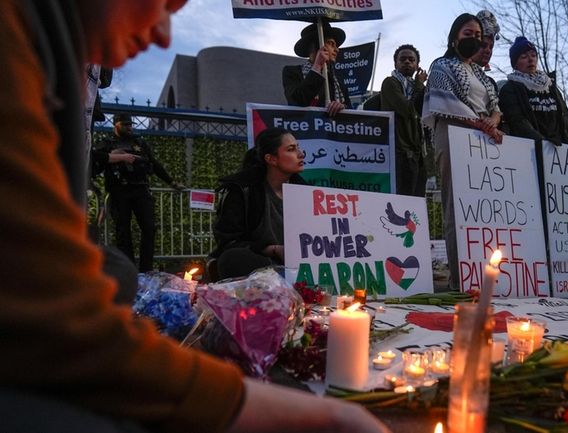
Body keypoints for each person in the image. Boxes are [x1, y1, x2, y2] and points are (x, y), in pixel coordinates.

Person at [0, 1, 389, 432]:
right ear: (269, 158)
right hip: (241, 265)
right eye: (164, 4)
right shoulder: (19, 43)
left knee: (116, 271)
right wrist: (314, 416)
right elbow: (59, 323)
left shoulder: (51, 57)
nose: (165, 33)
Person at [423, 13, 504, 290]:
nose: (474, 39)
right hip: (453, 134)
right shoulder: (442, 66)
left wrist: (493, 122)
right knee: (457, 209)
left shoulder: (482, 75)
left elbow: (495, 106)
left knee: (483, 209)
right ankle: (462, 280)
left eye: (478, 36)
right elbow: (446, 102)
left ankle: (489, 276)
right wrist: (482, 124)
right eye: (468, 34)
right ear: (455, 36)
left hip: (484, 140)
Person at [210, 127, 307, 280]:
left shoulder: (305, 191)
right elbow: (228, 241)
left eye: (298, 148)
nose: (301, 154)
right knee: (232, 258)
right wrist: (273, 249)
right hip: (262, 263)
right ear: (271, 159)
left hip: (297, 265)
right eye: (291, 149)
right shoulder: (242, 190)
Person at [95, 113, 185, 272]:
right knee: (123, 232)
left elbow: (154, 164)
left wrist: (171, 182)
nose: (129, 127)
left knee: (149, 228)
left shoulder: (139, 142)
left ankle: (146, 270)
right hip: (119, 191)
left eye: (131, 124)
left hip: (141, 189)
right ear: (116, 124)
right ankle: (129, 270)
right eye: (125, 124)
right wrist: (115, 155)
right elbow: (97, 161)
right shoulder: (107, 143)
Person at [499, 36, 568, 150]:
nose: (530, 59)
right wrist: (544, 144)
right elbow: (518, 122)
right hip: (532, 153)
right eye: (524, 57)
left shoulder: (551, 88)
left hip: (560, 152)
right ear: (515, 64)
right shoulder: (510, 89)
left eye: (533, 55)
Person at [380, 44, 428, 197]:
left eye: (411, 59)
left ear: (417, 65)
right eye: (403, 59)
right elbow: (408, 110)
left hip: (417, 154)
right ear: (395, 63)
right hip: (400, 153)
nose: (407, 62)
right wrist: (420, 84)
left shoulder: (416, 88)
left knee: (417, 201)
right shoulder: (390, 83)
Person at [283, 21, 351, 116]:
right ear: (315, 46)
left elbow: (351, 113)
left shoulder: (338, 82)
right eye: (331, 43)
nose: (337, 49)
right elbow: (297, 101)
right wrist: (318, 65)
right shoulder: (292, 72)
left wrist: (342, 108)